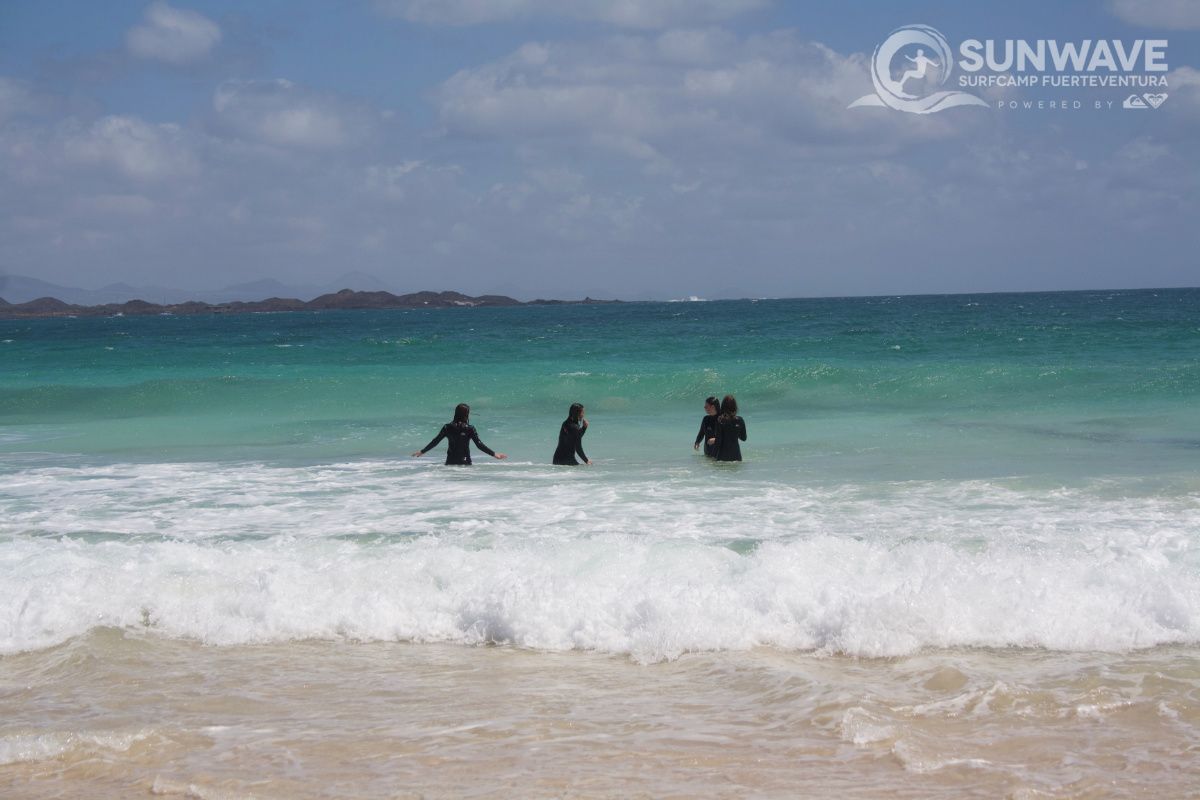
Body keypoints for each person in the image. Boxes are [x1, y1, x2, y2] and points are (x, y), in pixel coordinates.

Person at [412, 403, 507, 465]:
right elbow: (479, 445)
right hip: (465, 462)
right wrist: (494, 454)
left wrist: (422, 451)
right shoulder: (470, 428)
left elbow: (435, 441)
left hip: (450, 462)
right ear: (466, 414)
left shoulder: (447, 427)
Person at [707, 394, 747, 462]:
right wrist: (735, 432)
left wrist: (713, 457)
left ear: (723, 406)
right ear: (735, 407)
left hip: (723, 457)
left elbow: (718, 441)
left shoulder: (720, 420)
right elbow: (744, 438)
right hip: (736, 457)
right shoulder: (740, 420)